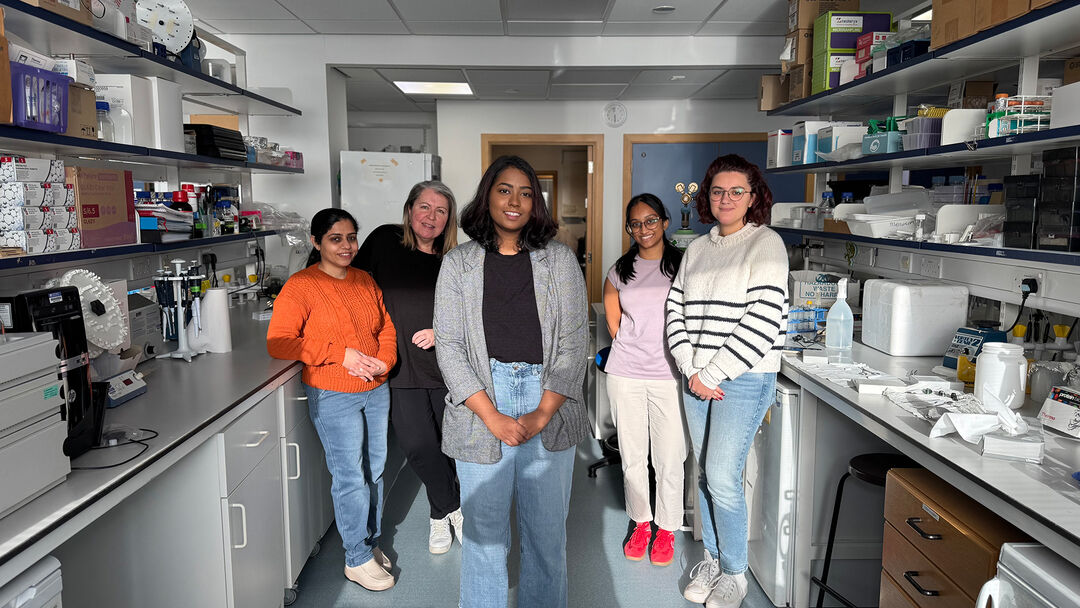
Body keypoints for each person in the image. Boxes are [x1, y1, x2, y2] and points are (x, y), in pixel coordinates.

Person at [434, 155, 588, 608]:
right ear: (487, 197)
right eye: (504, 190)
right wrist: (492, 416)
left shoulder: (559, 260)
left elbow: (574, 342)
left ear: (535, 204)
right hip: (482, 401)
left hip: (549, 396)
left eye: (526, 192)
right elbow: (451, 346)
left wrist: (542, 412)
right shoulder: (458, 264)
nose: (515, 201)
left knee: (545, 537)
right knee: (484, 538)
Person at [665, 155, 789, 608]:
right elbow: (674, 309)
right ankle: (714, 560)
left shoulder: (767, 245)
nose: (726, 199)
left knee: (722, 475)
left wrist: (711, 373)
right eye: (718, 191)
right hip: (696, 376)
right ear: (707, 197)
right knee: (703, 472)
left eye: (737, 191)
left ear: (753, 197)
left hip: (742, 377)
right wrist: (689, 368)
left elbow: (762, 320)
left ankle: (735, 574)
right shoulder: (697, 249)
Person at [267, 208, 398, 592]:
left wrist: (384, 360)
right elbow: (279, 341)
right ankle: (355, 558)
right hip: (333, 391)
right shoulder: (301, 286)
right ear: (316, 242)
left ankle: (368, 543)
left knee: (375, 469)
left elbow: (385, 326)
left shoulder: (365, 279)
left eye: (351, 237)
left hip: (376, 388)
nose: (346, 246)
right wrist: (341, 355)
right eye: (336, 239)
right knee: (350, 476)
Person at [353, 181, 464, 555]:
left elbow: (469, 312)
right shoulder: (384, 241)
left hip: (445, 366)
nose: (430, 217)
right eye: (424, 207)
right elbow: (350, 285)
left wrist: (441, 329)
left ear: (449, 220)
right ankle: (453, 507)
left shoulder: (453, 260)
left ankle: (438, 516)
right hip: (398, 367)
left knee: (448, 447)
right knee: (417, 444)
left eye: (440, 211)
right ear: (409, 208)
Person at [602, 193, 685, 566]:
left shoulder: (684, 265)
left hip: (670, 375)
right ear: (628, 228)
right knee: (634, 457)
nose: (643, 229)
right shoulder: (621, 269)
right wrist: (632, 345)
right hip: (626, 373)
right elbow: (613, 315)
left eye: (651, 221)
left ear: (665, 222)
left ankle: (667, 529)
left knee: (670, 457)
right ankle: (641, 523)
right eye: (635, 223)